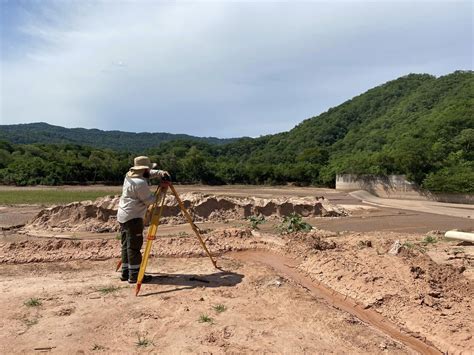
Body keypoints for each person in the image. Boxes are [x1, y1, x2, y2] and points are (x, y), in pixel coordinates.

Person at [117, 156, 170, 284]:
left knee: (126, 245)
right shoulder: (140, 184)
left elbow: (148, 174)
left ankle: (126, 272)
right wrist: (162, 190)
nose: (150, 171)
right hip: (133, 217)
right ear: (144, 169)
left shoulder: (129, 176)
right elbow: (151, 201)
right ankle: (135, 275)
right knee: (134, 247)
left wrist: (160, 173)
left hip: (123, 215)